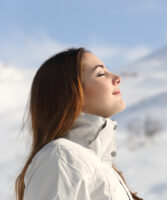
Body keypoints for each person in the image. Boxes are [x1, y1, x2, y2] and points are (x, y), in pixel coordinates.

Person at [14, 47, 143, 200]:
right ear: (72, 94)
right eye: (101, 74)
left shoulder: (99, 166)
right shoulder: (61, 156)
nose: (117, 78)